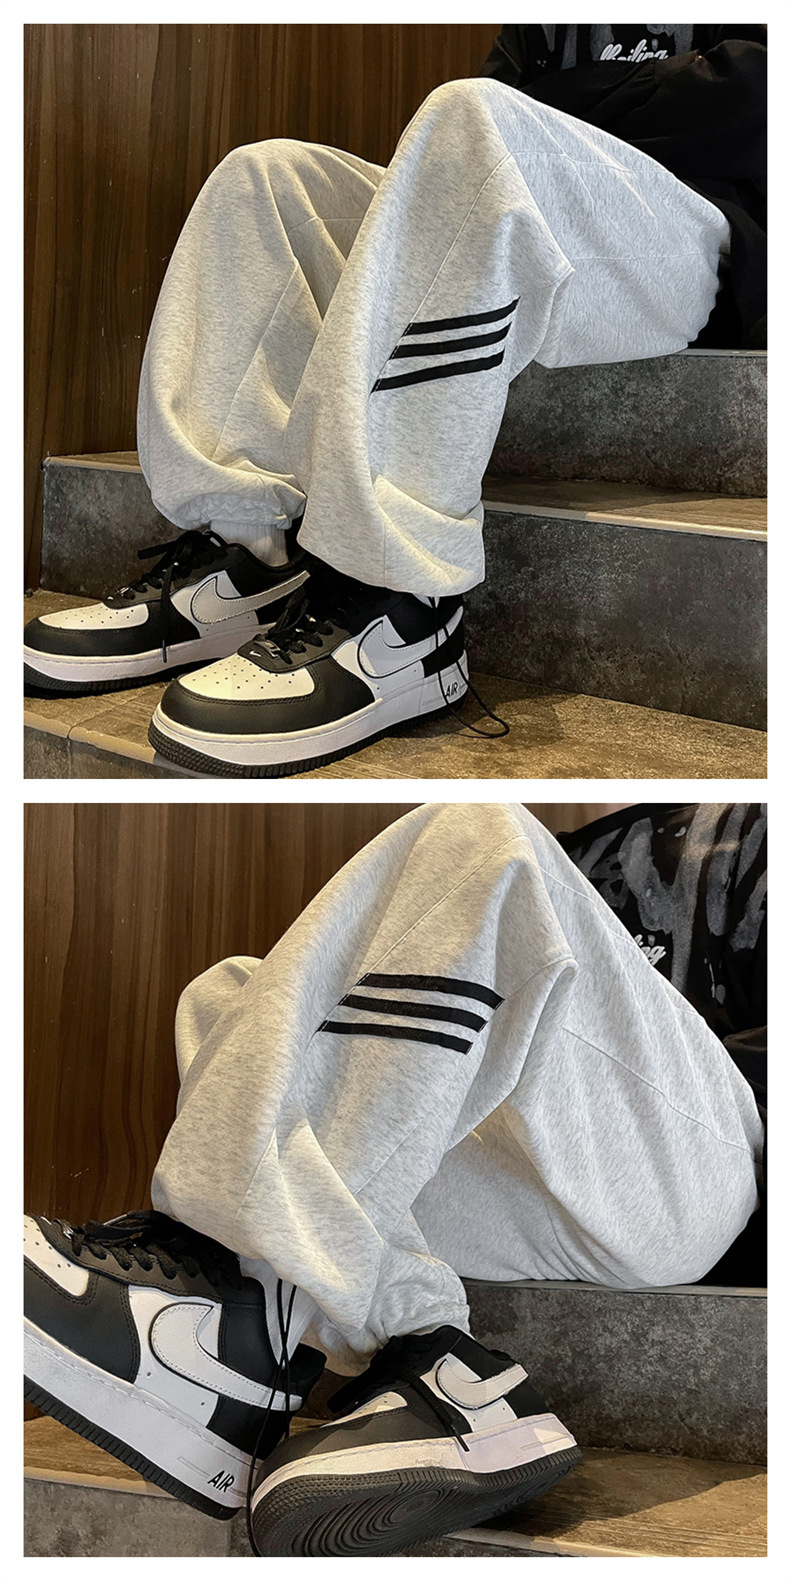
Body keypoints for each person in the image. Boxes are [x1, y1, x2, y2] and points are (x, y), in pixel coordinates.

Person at [24, 804, 765, 1555]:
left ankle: (227, 1322)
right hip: (541, 1183)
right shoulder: (595, 846)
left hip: (707, 1169)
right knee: (236, 999)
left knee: (483, 838)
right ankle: (439, 1368)